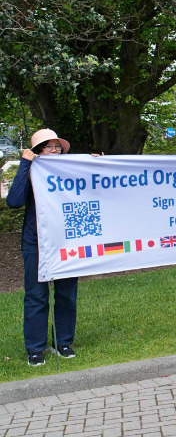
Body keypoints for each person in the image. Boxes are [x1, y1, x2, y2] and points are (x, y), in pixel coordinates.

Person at [6, 129, 79, 367]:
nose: (55, 150)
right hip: (36, 242)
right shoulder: (30, 172)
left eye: (58, 146)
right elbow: (14, 201)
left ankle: (63, 343)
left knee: (66, 295)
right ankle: (35, 349)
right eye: (49, 146)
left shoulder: (71, 169)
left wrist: (99, 164)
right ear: (37, 151)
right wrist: (25, 165)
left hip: (67, 241)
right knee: (36, 296)